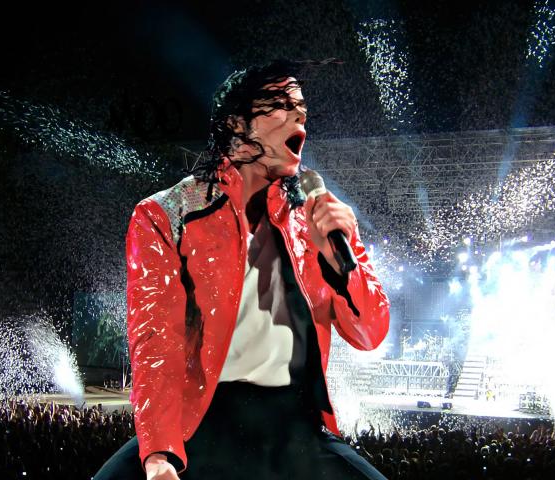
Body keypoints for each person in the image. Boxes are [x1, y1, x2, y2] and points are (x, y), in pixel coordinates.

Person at [94, 59, 390, 480]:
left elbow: (370, 333)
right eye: (281, 105)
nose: (299, 116)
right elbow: (156, 343)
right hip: (202, 424)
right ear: (237, 124)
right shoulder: (166, 214)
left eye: (302, 109)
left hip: (296, 428)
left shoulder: (318, 219)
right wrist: (159, 454)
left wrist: (341, 267)